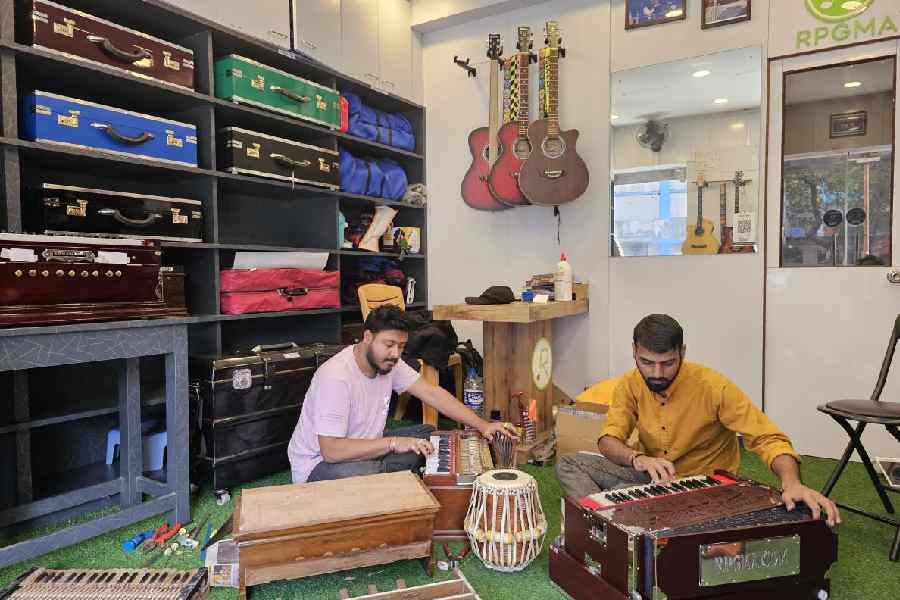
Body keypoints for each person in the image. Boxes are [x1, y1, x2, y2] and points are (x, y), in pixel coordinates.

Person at [556, 314, 840, 527]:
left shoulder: (714, 387)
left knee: (619, 494)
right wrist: (637, 459)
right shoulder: (630, 384)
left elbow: (768, 438)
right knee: (569, 464)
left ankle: (609, 521)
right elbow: (608, 440)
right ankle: (607, 526)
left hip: (705, 487)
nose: (657, 373)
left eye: (668, 363)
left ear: (682, 352)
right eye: (647, 363)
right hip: (652, 476)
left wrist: (791, 482)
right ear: (634, 352)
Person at [288, 304, 516, 483]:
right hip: (320, 467)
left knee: (427, 433)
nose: (395, 353)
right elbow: (331, 451)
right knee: (380, 471)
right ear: (367, 337)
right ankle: (402, 477)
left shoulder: (389, 362)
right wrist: (394, 443)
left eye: (401, 346)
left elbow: (432, 393)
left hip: (366, 444)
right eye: (389, 344)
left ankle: (403, 473)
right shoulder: (336, 377)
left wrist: (483, 425)